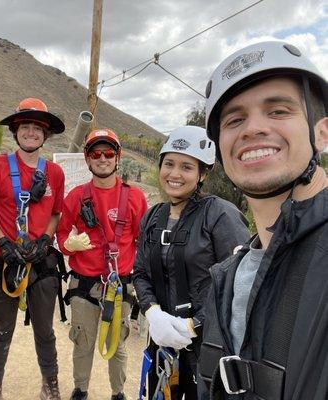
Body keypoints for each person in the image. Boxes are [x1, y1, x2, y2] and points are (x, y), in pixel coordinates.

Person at [198, 41, 328, 400]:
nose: (252, 128)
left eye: (278, 111)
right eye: (234, 119)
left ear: (322, 133)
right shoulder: (230, 275)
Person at [132, 126, 250, 400]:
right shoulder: (153, 218)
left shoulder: (220, 215)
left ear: (203, 174)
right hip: (162, 343)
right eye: (169, 164)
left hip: (208, 347)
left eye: (186, 167)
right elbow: (140, 273)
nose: (174, 174)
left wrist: (193, 324)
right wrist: (152, 312)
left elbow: (241, 283)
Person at [0, 97, 65, 400]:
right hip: (6, 261)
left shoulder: (54, 173)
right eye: (25, 126)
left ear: (45, 134)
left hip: (40, 263)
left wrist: (46, 240)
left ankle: (50, 382)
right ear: (16, 131)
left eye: (37, 128)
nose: (31, 132)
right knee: (1, 330)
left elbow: (55, 213)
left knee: (45, 329)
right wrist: (2, 241)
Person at [56, 128, 148, 400]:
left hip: (118, 287)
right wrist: (67, 245)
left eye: (109, 153)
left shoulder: (135, 198)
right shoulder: (75, 197)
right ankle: (80, 389)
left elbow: (143, 242)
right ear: (87, 160)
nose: (103, 158)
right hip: (84, 285)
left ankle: (118, 393)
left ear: (118, 158)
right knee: (82, 342)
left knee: (117, 344)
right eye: (96, 153)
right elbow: (61, 233)